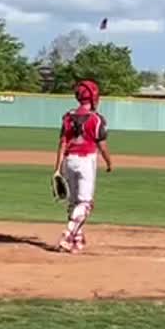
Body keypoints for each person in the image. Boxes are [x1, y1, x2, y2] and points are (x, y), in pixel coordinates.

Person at [55, 79, 112, 253]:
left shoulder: (68, 117)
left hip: (69, 160)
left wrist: (57, 168)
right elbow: (102, 145)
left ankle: (77, 239)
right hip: (86, 161)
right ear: (94, 98)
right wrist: (109, 162)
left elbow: (62, 143)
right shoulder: (96, 119)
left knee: (74, 203)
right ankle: (68, 234)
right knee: (85, 203)